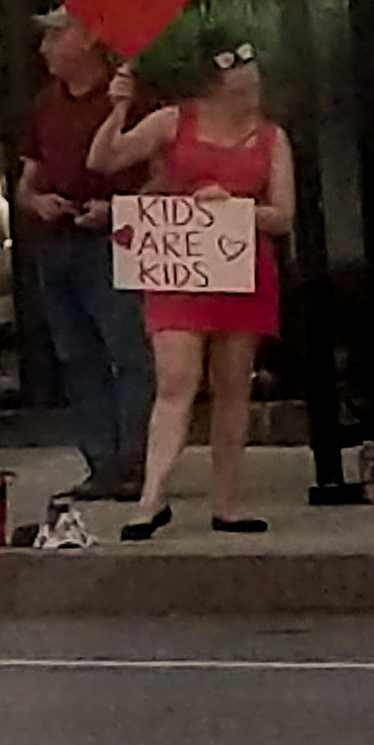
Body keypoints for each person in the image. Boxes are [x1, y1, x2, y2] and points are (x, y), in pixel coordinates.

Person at [93, 42, 295, 539]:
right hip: (182, 267)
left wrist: (234, 207)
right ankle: (151, 498)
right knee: (176, 380)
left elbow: (283, 215)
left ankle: (225, 503)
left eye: (256, 83)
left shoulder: (271, 138)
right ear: (213, 84)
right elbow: (106, 160)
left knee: (232, 388)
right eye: (240, 84)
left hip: (241, 267)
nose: (251, 93)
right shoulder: (173, 122)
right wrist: (118, 106)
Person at [16, 8, 151, 501]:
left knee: (127, 350)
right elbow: (25, 182)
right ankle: (100, 462)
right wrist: (37, 202)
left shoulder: (128, 98)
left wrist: (118, 209)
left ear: (90, 38)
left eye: (57, 35)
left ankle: (134, 460)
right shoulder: (45, 104)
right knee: (77, 356)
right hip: (58, 241)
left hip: (113, 240)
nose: (46, 48)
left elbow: (161, 169)